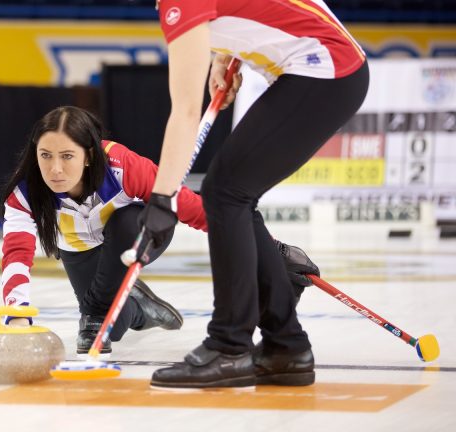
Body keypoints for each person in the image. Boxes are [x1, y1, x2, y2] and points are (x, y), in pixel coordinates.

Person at [136, 1, 369, 389]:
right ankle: (285, 347)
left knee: (226, 193)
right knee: (231, 193)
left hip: (324, 68)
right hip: (332, 66)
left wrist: (162, 200)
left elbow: (185, 110)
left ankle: (229, 347)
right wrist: (223, 56)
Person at [0, 106, 318, 356]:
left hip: (137, 235)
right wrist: (16, 312)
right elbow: (17, 254)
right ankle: (139, 308)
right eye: (46, 156)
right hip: (79, 249)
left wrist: (269, 249)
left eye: (67, 156)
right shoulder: (25, 191)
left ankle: (102, 305)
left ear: (89, 155)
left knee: (118, 247)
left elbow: (194, 208)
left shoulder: (122, 167)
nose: (54, 169)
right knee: (115, 325)